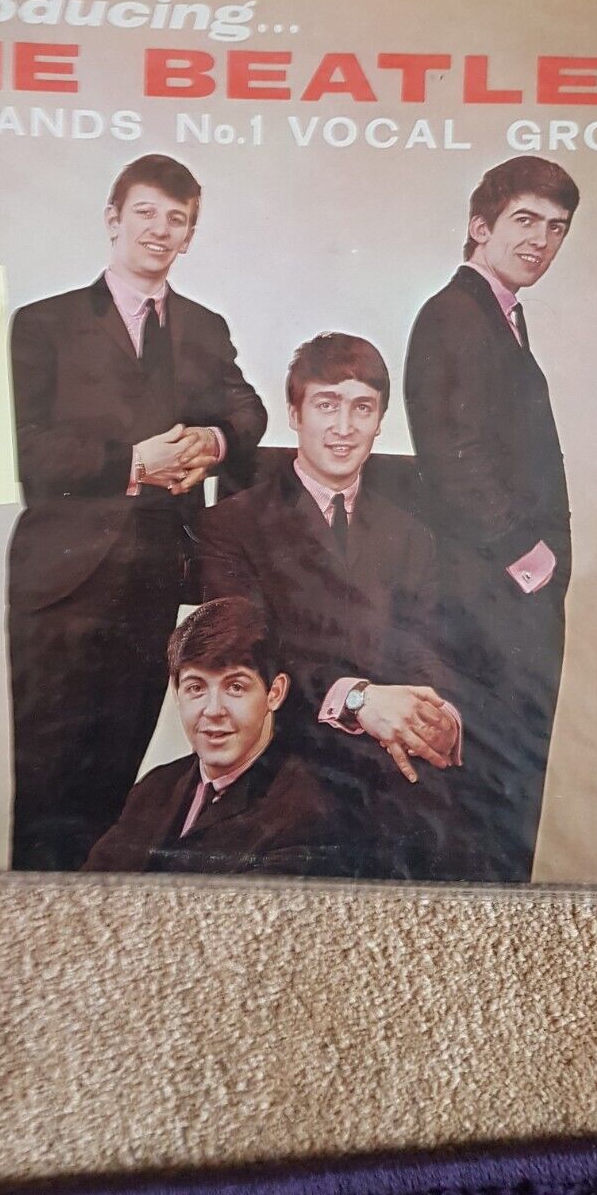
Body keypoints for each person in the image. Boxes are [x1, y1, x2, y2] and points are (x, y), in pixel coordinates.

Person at [7, 154, 266, 870]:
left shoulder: (204, 327)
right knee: (48, 784)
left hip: (153, 581)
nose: (160, 229)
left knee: (115, 783)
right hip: (60, 583)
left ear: (190, 236)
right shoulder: (44, 323)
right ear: (113, 219)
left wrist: (213, 441)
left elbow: (248, 412)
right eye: (145, 212)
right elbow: (23, 448)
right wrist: (132, 464)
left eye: (176, 219)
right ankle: (35, 919)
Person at [196, 333, 464, 881]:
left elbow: (428, 649)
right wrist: (357, 698)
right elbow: (246, 662)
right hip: (286, 761)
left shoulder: (411, 536)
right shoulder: (232, 526)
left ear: (380, 421)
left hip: (392, 765)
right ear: (295, 414)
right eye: (327, 405)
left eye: (362, 408)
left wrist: (440, 720)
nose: (344, 427)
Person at [404, 154, 579, 882]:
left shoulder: (498, 315)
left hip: (503, 595)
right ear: (480, 227)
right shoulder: (455, 315)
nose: (541, 240)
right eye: (525, 220)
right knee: (487, 798)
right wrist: (530, 560)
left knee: (505, 792)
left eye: (556, 227)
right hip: (487, 598)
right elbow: (454, 454)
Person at [82, 597, 340, 877]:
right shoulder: (154, 787)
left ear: (274, 693)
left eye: (235, 687)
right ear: (176, 693)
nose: (213, 710)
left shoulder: (305, 813)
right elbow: (89, 891)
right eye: (196, 688)